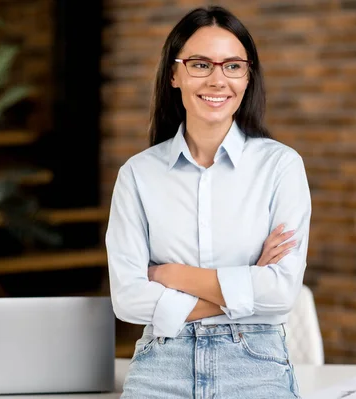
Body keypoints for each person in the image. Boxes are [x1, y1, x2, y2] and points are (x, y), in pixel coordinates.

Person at [105, 5, 311, 398]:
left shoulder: (281, 167)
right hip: (161, 363)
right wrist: (245, 283)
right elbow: (128, 300)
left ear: (248, 77)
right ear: (174, 74)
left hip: (255, 363)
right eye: (200, 64)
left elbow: (283, 293)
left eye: (233, 66)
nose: (218, 80)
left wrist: (171, 274)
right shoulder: (138, 174)